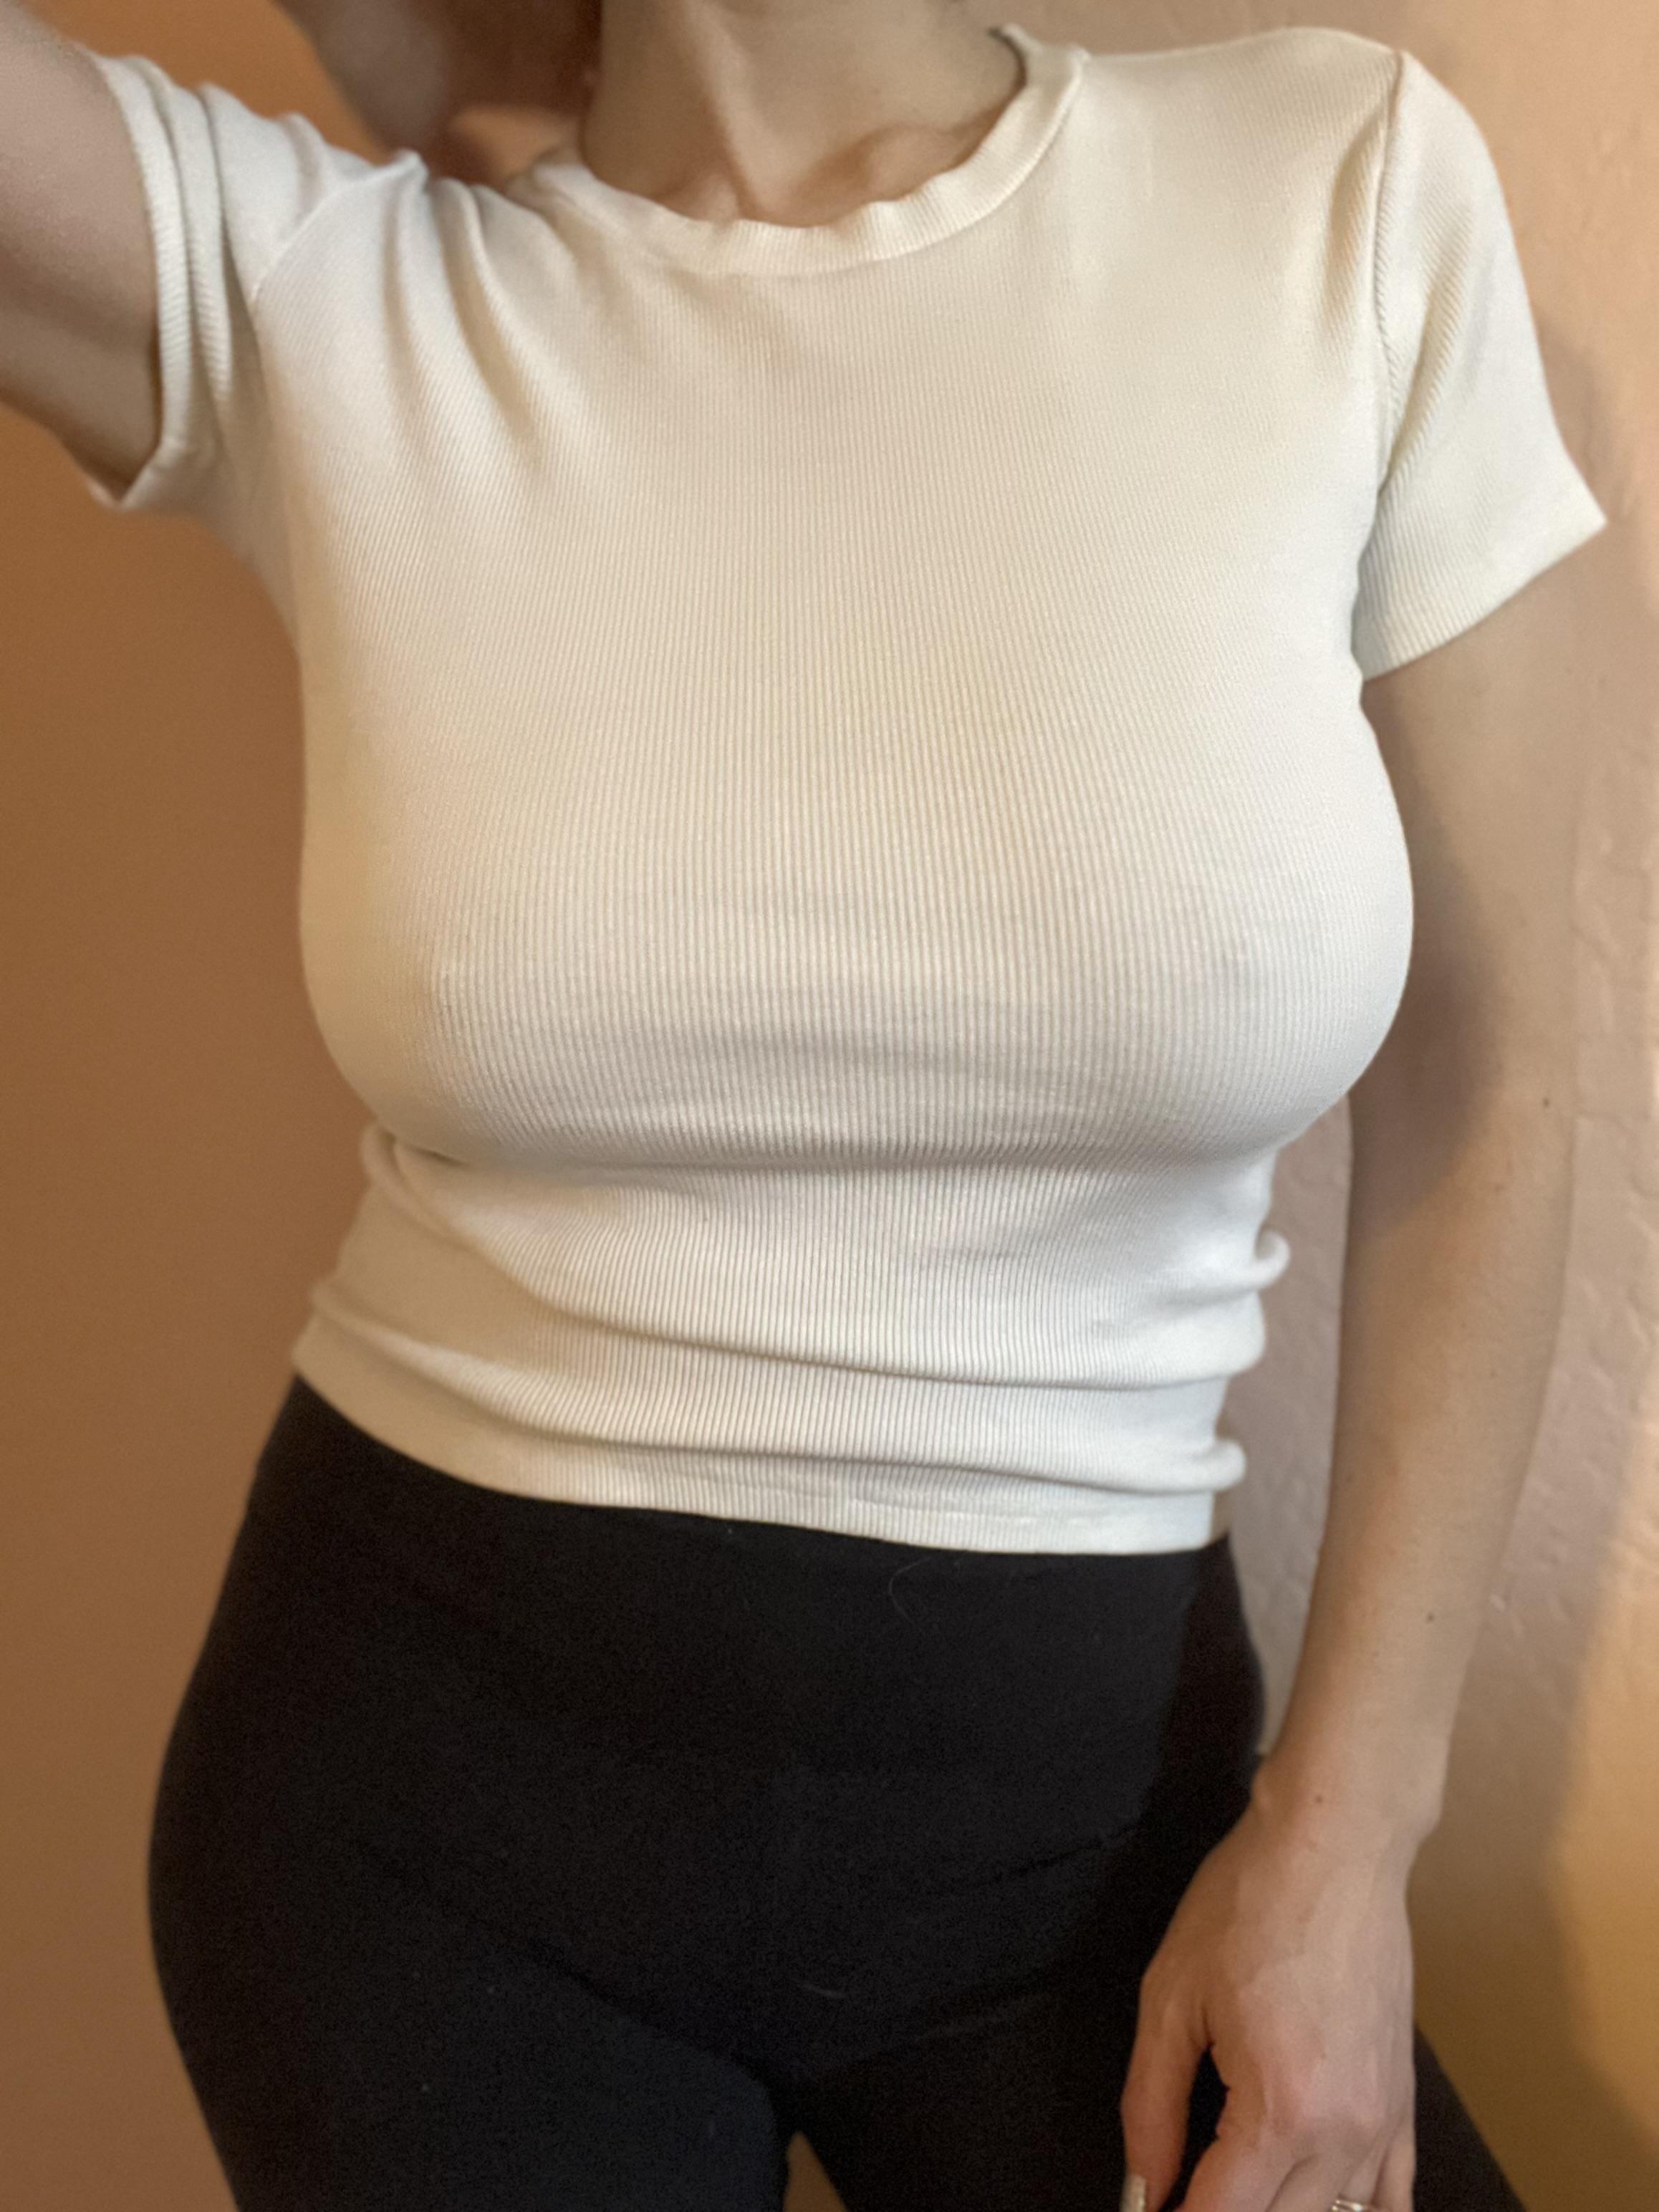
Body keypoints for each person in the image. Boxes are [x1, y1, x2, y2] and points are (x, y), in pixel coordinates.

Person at [0, 2, 1603, 2206]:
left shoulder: (1329, 180)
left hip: (1091, 1833)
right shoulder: (322, 281)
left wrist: (1344, 1839)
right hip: (422, 1850)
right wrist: (422, 70)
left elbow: (1491, 1084)